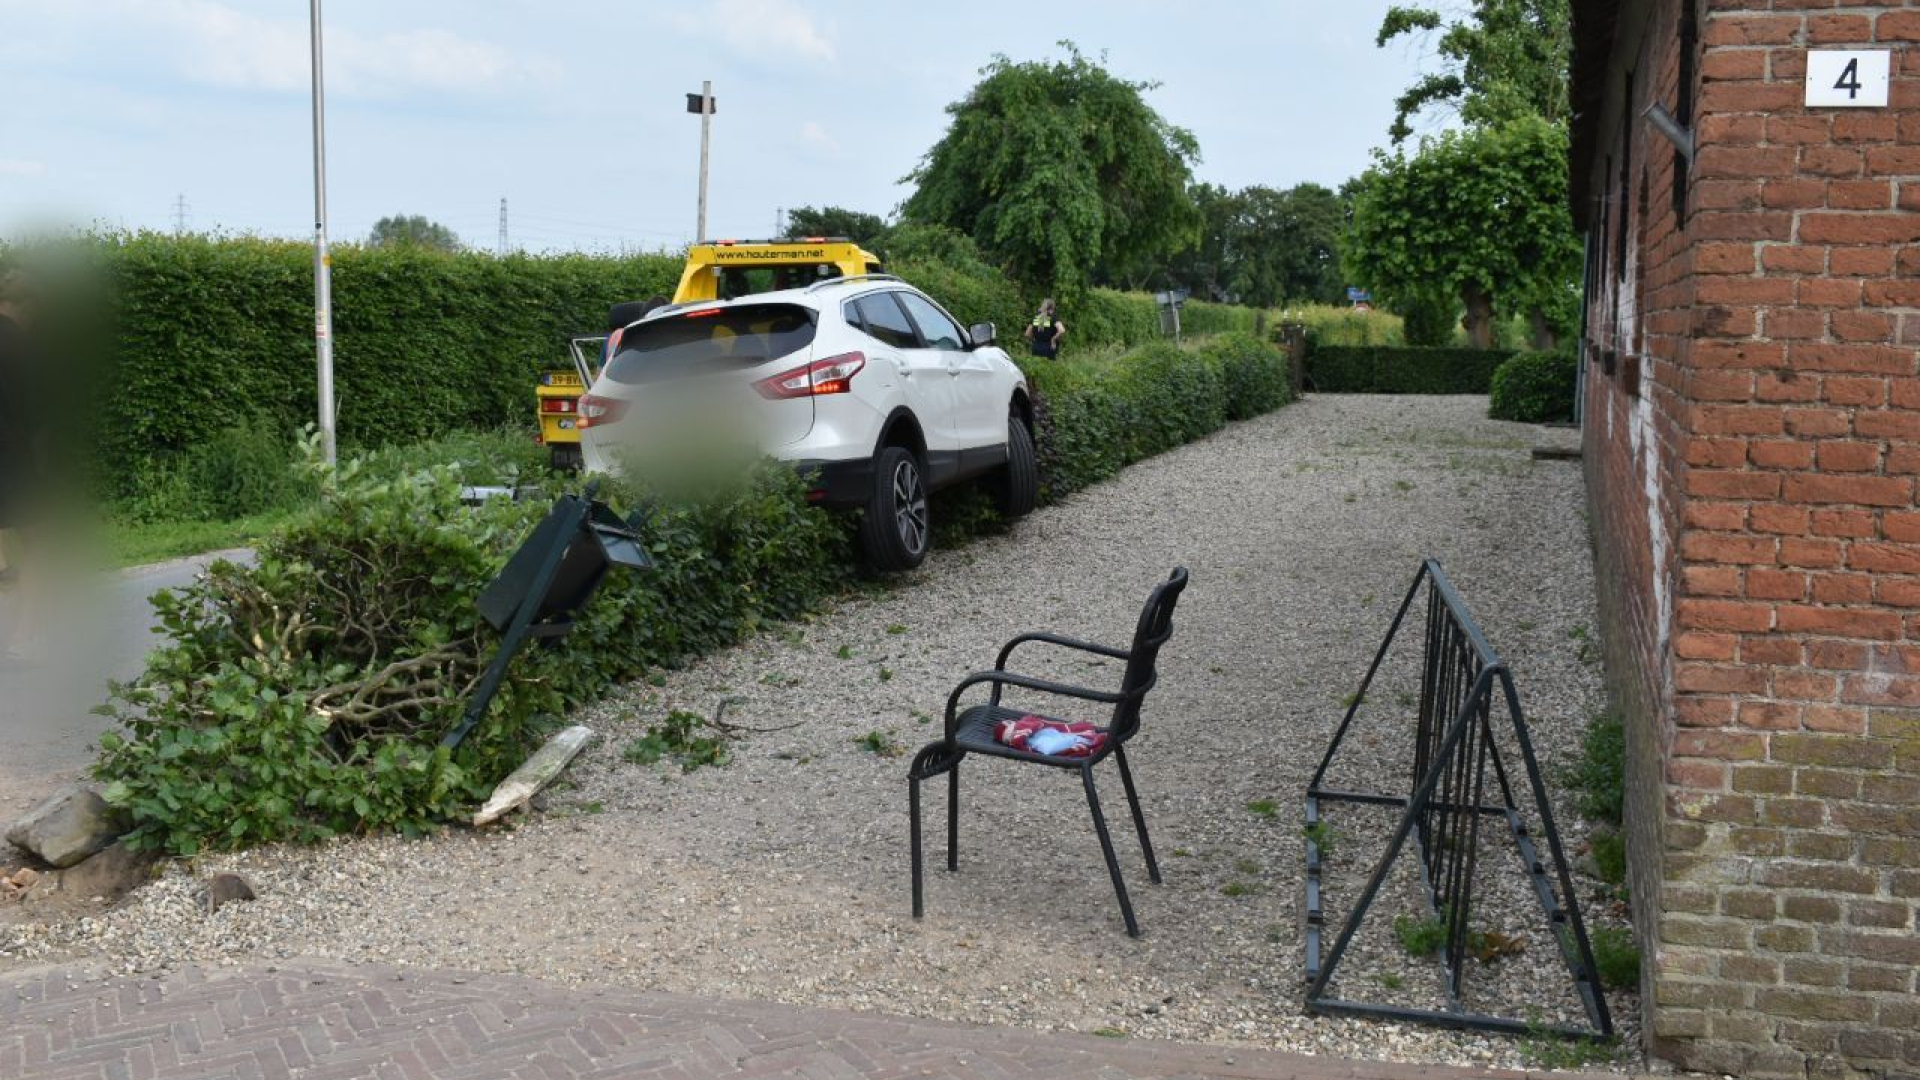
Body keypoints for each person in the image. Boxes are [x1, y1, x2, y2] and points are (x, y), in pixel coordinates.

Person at [0, 269, 45, 659]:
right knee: (36, 544)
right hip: (12, 455)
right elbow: (35, 414)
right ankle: (22, 639)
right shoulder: (24, 349)